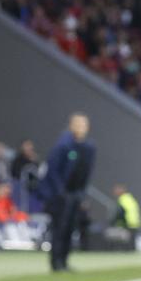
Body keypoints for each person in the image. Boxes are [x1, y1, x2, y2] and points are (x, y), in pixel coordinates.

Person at [39, 112, 95, 272]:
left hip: (76, 193)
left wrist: (82, 193)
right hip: (62, 196)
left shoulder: (88, 147)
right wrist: (60, 192)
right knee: (59, 229)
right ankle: (56, 262)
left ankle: (64, 260)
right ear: (72, 126)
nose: (82, 128)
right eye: (79, 124)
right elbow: (53, 170)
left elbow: (87, 171)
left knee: (71, 228)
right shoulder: (63, 145)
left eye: (84, 125)